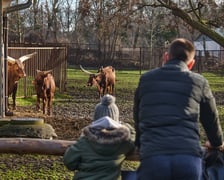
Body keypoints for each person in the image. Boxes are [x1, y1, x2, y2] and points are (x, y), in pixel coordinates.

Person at [133, 38, 224, 180]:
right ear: (191, 64)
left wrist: (140, 143)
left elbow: (138, 117)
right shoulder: (199, 82)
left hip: (153, 157)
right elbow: (211, 119)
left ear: (166, 57)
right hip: (188, 157)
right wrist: (216, 143)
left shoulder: (146, 79)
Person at [63, 94, 135, 180]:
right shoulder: (124, 143)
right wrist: (124, 126)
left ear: (96, 118)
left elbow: (69, 163)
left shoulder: (85, 141)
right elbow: (134, 136)